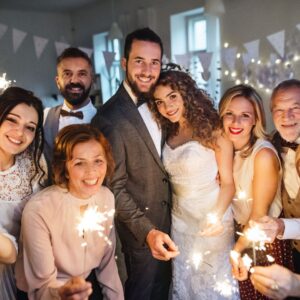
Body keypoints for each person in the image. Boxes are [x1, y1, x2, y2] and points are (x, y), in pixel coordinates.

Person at [92, 28, 178, 300]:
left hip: (175, 228)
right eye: (139, 61)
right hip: (140, 239)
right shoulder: (109, 118)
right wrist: (148, 231)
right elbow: (113, 188)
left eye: (155, 63)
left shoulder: (164, 104)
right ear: (125, 63)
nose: (147, 70)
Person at [150, 64, 238, 299]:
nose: (167, 107)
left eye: (172, 97)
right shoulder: (166, 132)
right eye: (159, 102)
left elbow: (228, 184)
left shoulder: (214, 131)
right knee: (186, 285)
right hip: (179, 222)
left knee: (214, 287)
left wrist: (216, 216)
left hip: (212, 220)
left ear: (186, 95)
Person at [15, 124, 123, 300]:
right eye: (80, 163)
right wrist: (63, 293)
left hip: (86, 284)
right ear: (64, 167)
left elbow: (107, 264)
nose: (92, 171)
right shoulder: (38, 210)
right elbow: (41, 288)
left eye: (98, 160)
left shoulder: (107, 197)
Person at [219, 84, 292, 299]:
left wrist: (236, 250)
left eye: (245, 115)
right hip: (243, 237)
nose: (235, 122)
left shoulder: (263, 156)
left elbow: (259, 215)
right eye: (229, 114)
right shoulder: (228, 152)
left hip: (265, 243)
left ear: (256, 120)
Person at [0, 86, 46, 300]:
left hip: (22, 274)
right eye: (12, 120)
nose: (20, 133)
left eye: (30, 127)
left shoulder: (34, 166)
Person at [43, 47, 97, 169]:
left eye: (82, 74)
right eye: (67, 74)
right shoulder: (45, 116)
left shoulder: (106, 119)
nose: (74, 80)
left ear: (91, 79)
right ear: (58, 81)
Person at [270, 79, 300, 274]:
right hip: (292, 255)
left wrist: (282, 227)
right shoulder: (270, 145)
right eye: (279, 110)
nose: (286, 116)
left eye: (295, 108)